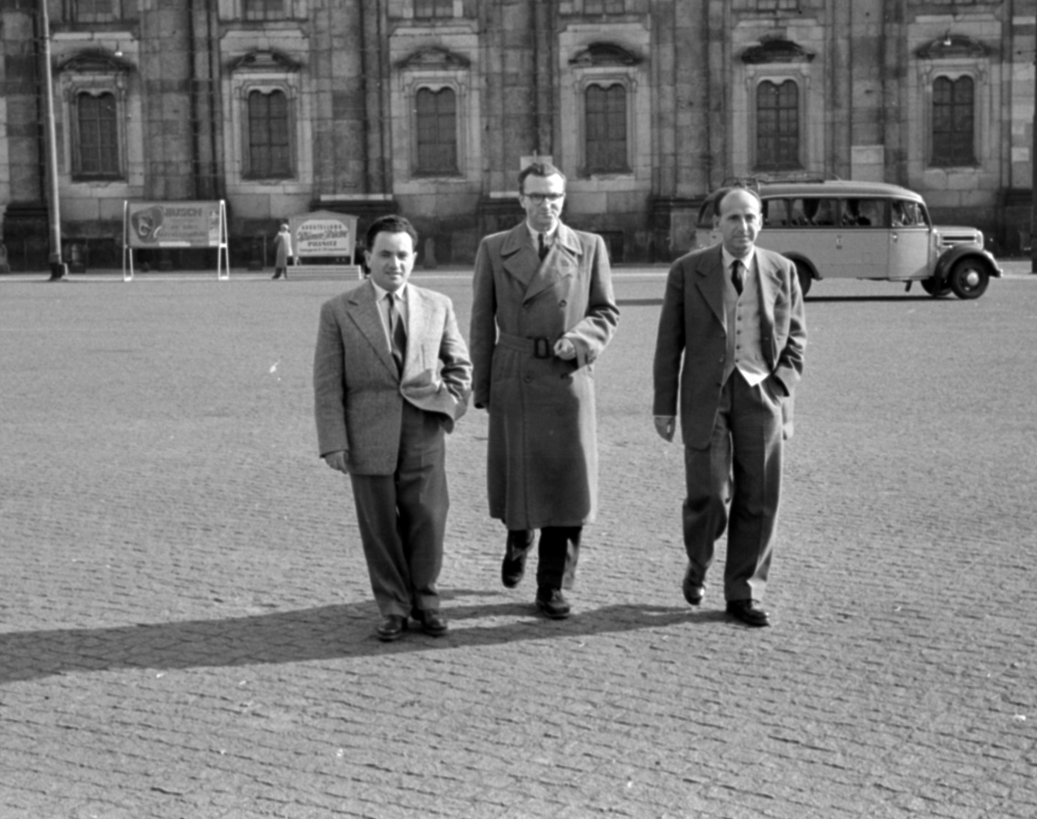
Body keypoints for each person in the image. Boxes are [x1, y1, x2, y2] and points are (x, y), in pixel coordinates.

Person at [469, 162, 619, 620]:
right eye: (536, 196)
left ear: (564, 199)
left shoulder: (590, 247)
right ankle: (518, 537)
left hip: (567, 375)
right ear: (521, 199)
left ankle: (553, 585)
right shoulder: (494, 249)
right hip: (514, 372)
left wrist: (580, 342)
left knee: (569, 487)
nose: (546, 205)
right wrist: (483, 385)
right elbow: (480, 321)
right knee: (520, 481)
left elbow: (605, 312)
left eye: (554, 196)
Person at [653, 184, 806, 628]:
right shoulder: (688, 271)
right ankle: (698, 560)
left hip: (761, 392)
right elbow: (669, 344)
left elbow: (795, 337)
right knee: (711, 494)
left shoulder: (782, 270)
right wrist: (665, 406)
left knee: (759, 497)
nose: (744, 226)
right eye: (734, 218)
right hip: (707, 394)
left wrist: (780, 385)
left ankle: (744, 592)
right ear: (716, 224)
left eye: (752, 217)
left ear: (762, 221)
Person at [313, 215, 472, 642]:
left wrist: (448, 410)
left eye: (403, 255)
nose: (394, 263)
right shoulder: (338, 311)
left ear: (414, 258)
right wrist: (333, 441)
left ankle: (427, 601)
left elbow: (460, 366)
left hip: (423, 430)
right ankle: (393, 607)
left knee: (428, 518)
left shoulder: (438, 305)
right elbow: (327, 385)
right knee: (380, 526)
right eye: (385, 254)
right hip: (366, 433)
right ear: (367, 257)